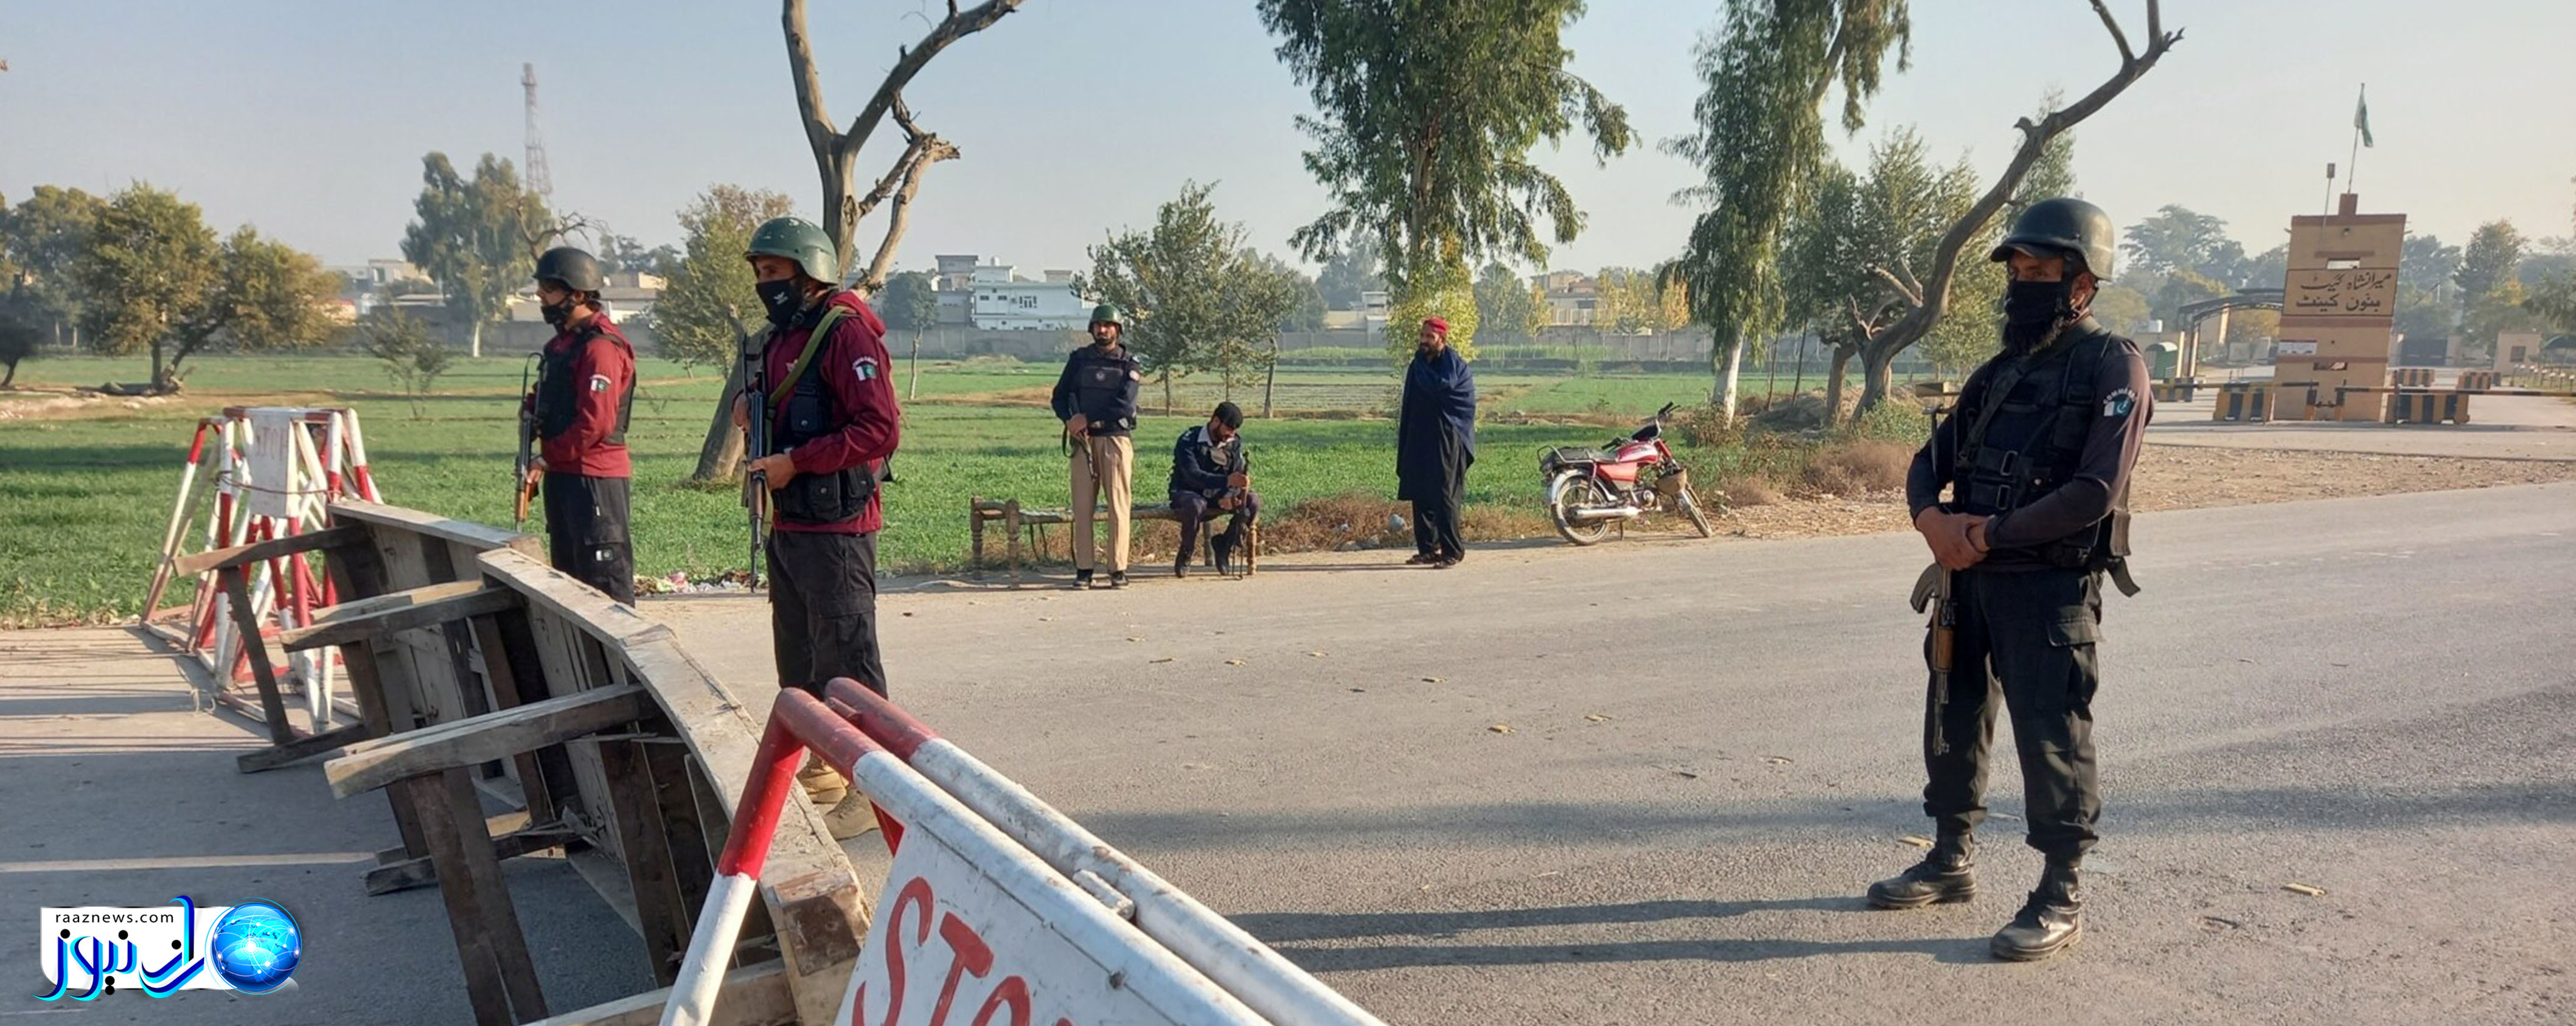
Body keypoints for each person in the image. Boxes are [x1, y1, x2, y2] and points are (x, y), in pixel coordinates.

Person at [1871, 196, 2151, 962]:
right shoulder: (1999, 372)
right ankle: (1950, 856)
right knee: (1952, 716)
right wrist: (1931, 520)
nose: (2022, 283)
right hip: (1968, 581)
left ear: (2083, 283)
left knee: (2050, 733)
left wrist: (1989, 533)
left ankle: (2061, 890)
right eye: (2017, 270)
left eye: (2040, 270)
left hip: (2047, 588)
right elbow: (1931, 459)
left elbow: (2095, 489)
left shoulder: (2112, 366)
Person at [728, 216, 900, 831]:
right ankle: (826, 762)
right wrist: (756, 414)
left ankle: (876, 784)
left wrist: (796, 460)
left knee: (849, 661)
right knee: (799, 659)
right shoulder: (780, 337)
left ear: (809, 272)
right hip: (791, 523)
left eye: (773, 272)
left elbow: (879, 430)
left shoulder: (845, 333)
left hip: (838, 527)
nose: (764, 284)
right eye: (759, 274)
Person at [521, 246, 638, 604]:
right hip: (563, 476)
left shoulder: (600, 348)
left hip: (594, 478)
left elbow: (596, 422)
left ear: (578, 294)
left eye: (550, 290)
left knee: (603, 585)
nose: (541, 297)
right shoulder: (561, 346)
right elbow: (549, 397)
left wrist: (548, 457)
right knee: (570, 583)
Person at [1051, 303, 1143, 589]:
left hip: (1115, 438)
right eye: (1098, 325)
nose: (1102, 330)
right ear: (1092, 329)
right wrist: (1071, 420)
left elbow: (1124, 405)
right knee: (1082, 508)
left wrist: (1087, 417)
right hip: (1083, 441)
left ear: (1118, 330)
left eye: (1108, 325)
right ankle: (1084, 569)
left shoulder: (1129, 364)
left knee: (1118, 506)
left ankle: (1118, 569)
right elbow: (1059, 396)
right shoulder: (1079, 360)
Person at [1396, 316, 1476, 568]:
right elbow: (1410, 401)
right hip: (1420, 435)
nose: (1424, 341)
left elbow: (1448, 389)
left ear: (1442, 339)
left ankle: (1453, 551)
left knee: (1444, 494)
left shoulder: (1453, 365)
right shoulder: (1418, 364)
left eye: (1430, 337)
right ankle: (1429, 549)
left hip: (1447, 435)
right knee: (1420, 491)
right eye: (1422, 336)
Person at [1168, 401, 1258, 578]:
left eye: (1234, 430)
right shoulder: (1189, 440)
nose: (1231, 434)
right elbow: (1193, 475)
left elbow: (1236, 473)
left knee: (1252, 501)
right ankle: (1187, 551)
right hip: (1188, 492)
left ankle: (1225, 546)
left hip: (1219, 494)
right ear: (1216, 421)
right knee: (1196, 504)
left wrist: (1231, 495)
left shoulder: (1233, 443)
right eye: (1229, 428)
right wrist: (1226, 483)